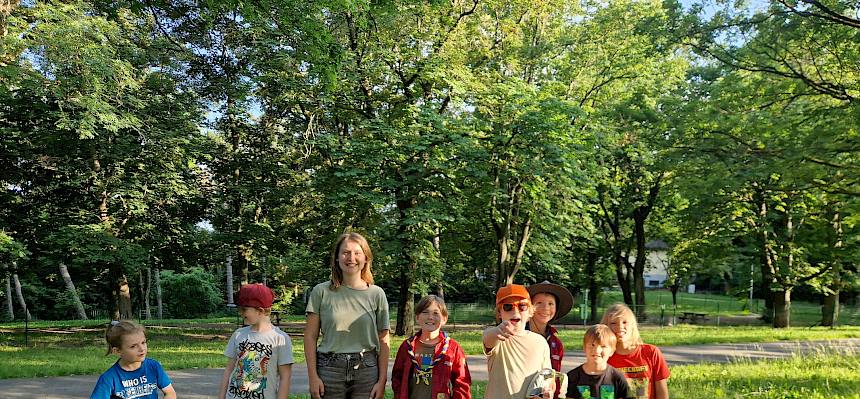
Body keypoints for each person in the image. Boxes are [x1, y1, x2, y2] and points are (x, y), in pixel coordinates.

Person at [304, 232, 390, 399]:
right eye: (345, 252)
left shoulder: (376, 294)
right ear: (337, 258)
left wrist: (382, 380)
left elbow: (384, 339)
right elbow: (310, 336)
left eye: (357, 253)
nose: (351, 258)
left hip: (367, 369)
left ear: (365, 258)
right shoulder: (321, 291)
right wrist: (313, 377)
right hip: (329, 369)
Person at [218, 283, 294, 399]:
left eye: (244, 309)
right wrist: (221, 397)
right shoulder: (238, 334)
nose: (241, 313)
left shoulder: (280, 338)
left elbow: (285, 377)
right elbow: (229, 369)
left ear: (260, 310)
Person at [392, 295, 471, 399]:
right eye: (425, 312)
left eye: (436, 313)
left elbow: (462, 383)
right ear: (417, 317)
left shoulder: (453, 348)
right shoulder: (406, 347)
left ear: (444, 319)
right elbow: (397, 378)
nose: (430, 317)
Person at [483, 283, 553, 399]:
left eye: (522, 306)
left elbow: (548, 376)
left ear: (530, 311)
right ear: (499, 313)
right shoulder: (497, 337)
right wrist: (499, 330)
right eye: (508, 307)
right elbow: (488, 338)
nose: (515, 311)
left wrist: (547, 391)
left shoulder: (540, 342)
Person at [90, 320, 176, 399]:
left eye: (143, 342)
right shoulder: (109, 378)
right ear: (117, 351)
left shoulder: (153, 367)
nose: (142, 349)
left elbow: (170, 394)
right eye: (133, 346)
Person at [601, 304, 670, 399]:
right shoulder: (602, 356)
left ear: (633, 325)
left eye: (625, 322)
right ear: (605, 327)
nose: (620, 326)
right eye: (613, 323)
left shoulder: (651, 352)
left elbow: (662, 393)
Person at [526, 281, 573, 399]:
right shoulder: (520, 336)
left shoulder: (556, 344)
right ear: (529, 307)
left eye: (551, 304)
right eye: (539, 303)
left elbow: (554, 377)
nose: (545, 308)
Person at [565, 324, 632, 399]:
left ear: (612, 351)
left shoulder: (617, 378)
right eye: (592, 345)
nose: (597, 350)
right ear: (584, 347)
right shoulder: (572, 377)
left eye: (603, 346)